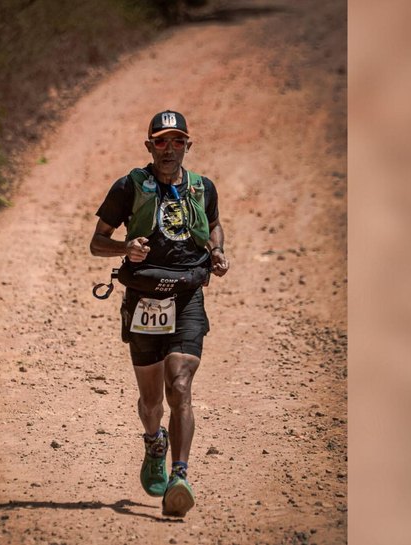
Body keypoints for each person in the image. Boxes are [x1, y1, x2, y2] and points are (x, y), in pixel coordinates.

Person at [89, 110, 230, 517]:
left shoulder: (202, 188)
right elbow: (97, 242)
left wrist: (217, 251)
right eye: (162, 141)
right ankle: (154, 442)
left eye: (178, 141)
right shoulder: (128, 187)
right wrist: (125, 249)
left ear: (189, 145)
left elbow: (216, 226)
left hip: (187, 296)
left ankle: (180, 476)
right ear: (149, 145)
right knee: (152, 402)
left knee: (180, 384)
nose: (170, 149)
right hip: (144, 300)